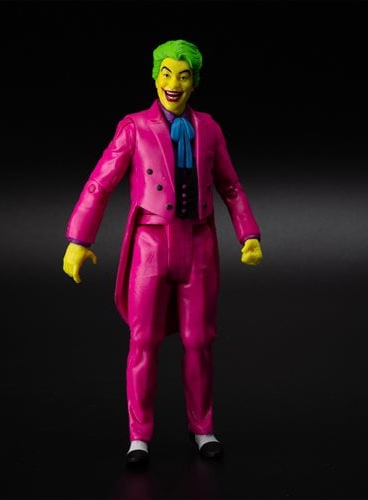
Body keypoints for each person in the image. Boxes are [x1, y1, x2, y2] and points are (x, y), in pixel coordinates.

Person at [63, 39, 263, 466]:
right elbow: (101, 183)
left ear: (195, 82)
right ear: (155, 76)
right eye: (167, 73)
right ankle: (139, 435)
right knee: (143, 341)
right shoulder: (135, 127)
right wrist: (80, 240)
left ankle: (202, 427)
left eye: (184, 75)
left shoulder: (209, 129)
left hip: (198, 245)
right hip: (150, 246)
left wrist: (247, 233)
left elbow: (230, 185)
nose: (174, 83)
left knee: (200, 342)